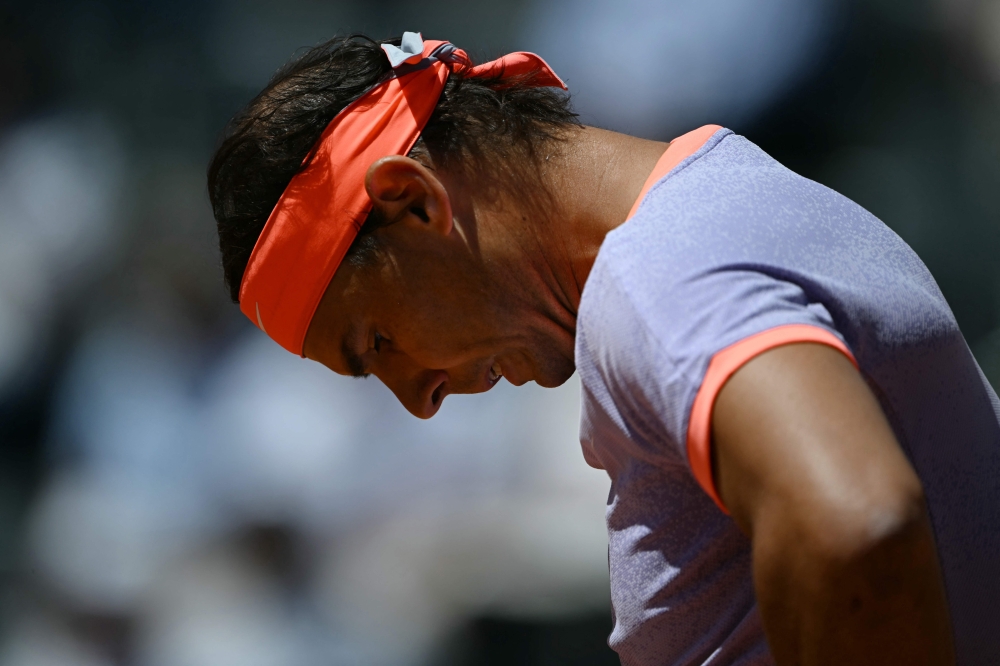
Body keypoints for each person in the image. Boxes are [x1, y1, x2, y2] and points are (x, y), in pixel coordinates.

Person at [207, 33, 1000, 665]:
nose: (418, 399)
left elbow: (856, 524)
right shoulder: (715, 201)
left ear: (412, 202)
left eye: (376, 342)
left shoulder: (662, 276)